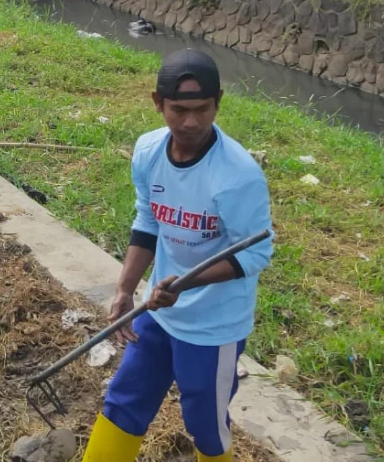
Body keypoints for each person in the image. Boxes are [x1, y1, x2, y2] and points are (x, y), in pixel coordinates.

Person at [81, 49, 274, 462]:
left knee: (205, 423)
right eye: (179, 110)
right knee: (124, 400)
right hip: (159, 311)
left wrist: (185, 284)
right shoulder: (149, 152)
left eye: (203, 109)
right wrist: (125, 289)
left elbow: (255, 254)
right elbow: (147, 221)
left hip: (213, 325)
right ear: (157, 103)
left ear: (218, 102)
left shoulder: (238, 175)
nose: (191, 122)